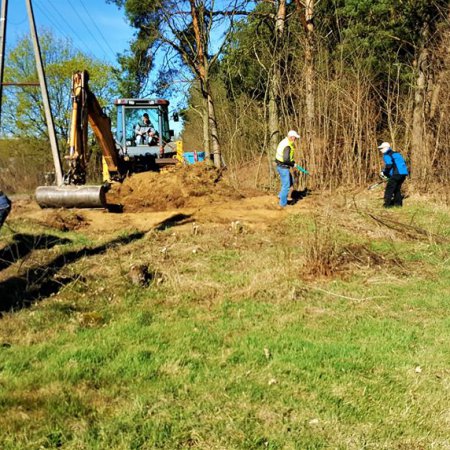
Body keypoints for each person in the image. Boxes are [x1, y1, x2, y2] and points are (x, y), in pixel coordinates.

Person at [378, 142, 409, 208]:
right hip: (403, 174)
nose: (380, 150)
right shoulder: (397, 154)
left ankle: (387, 205)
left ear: (386, 148)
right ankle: (398, 205)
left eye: (381, 148)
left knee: (389, 189)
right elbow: (399, 164)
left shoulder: (387, 155)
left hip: (396, 174)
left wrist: (385, 173)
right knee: (397, 189)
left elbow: (389, 165)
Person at [275, 130, 300, 208]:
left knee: (291, 181)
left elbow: (286, 157)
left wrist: (292, 162)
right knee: (286, 185)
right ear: (291, 137)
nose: (295, 139)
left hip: (281, 166)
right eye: (295, 138)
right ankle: (282, 204)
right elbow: (286, 159)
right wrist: (293, 164)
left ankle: (281, 196)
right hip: (283, 167)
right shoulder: (287, 146)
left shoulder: (285, 141)